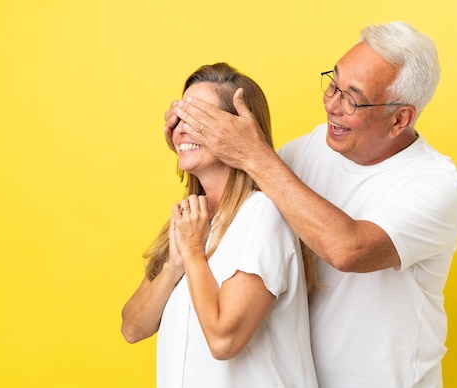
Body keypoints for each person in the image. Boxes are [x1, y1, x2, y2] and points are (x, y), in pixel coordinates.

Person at [167, 22, 457, 387]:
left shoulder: (434, 183)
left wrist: (256, 158)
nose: (331, 104)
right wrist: (194, 141)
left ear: (400, 118)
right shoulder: (308, 151)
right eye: (333, 84)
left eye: (352, 98)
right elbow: (239, 189)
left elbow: (349, 249)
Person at [121, 63, 318, 387]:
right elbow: (132, 328)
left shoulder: (262, 215)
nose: (182, 128)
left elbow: (224, 340)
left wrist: (194, 253)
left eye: (200, 118)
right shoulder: (192, 222)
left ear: (239, 131)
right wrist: (174, 263)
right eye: (180, 116)